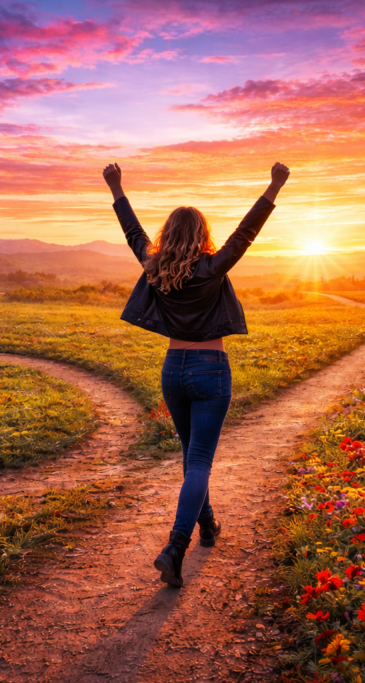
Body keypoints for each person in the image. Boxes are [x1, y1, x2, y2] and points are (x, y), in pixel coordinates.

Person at [102, 161, 290, 587]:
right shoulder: (211, 268)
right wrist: (273, 185)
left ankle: (206, 525)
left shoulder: (155, 267)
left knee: (191, 457)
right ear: (202, 234)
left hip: (173, 370)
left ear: (168, 234)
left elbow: (134, 233)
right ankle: (175, 546)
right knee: (200, 461)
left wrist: (116, 188)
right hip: (210, 370)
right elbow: (245, 234)